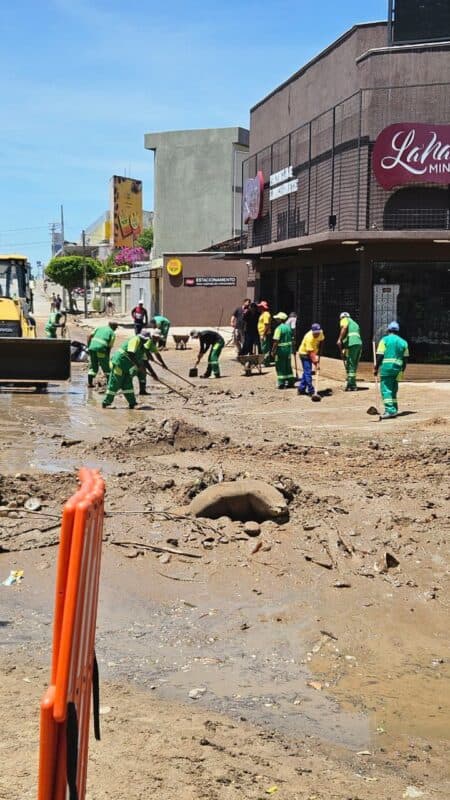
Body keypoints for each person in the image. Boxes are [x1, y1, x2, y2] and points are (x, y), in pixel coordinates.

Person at [102, 331, 167, 408]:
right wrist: (139, 366)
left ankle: (132, 403)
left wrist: (153, 374)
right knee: (115, 383)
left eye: (146, 340)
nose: (145, 341)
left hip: (127, 367)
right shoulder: (135, 340)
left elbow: (145, 363)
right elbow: (131, 353)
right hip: (119, 364)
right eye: (144, 339)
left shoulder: (142, 348)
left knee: (128, 384)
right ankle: (106, 403)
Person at [374, 321, 409, 420]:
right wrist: (402, 370)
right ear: (397, 331)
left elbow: (380, 355)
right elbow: (405, 358)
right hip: (398, 368)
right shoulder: (403, 342)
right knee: (393, 390)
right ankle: (394, 409)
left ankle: (389, 410)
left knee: (386, 390)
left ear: (388, 330)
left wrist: (376, 367)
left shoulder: (384, 340)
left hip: (387, 368)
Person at [86, 322, 118, 387]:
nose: (116, 329)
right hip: (101, 350)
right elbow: (109, 348)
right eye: (116, 328)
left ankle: (90, 383)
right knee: (106, 368)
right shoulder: (112, 333)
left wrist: (89, 346)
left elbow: (89, 336)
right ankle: (109, 385)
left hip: (92, 348)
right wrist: (107, 358)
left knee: (93, 366)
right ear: (113, 327)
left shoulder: (99, 328)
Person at [337, 311, 363, 391]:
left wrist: (339, 339)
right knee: (353, 364)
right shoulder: (355, 324)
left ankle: (350, 385)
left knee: (350, 364)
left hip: (352, 344)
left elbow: (344, 327)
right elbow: (352, 335)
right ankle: (353, 384)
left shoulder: (345, 319)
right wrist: (344, 347)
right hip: (358, 344)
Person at [297, 323, 325, 396]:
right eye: (315, 333)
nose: (317, 334)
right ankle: (311, 391)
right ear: (312, 331)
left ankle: (301, 389)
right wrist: (316, 364)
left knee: (306, 372)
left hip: (313, 353)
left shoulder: (320, 333)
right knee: (308, 372)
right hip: (304, 354)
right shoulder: (308, 337)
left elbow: (322, 341)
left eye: (318, 332)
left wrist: (319, 353)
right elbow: (311, 353)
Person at [271, 312, 296, 389]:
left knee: (280, 365)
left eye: (277, 318)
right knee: (287, 365)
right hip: (288, 349)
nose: (276, 319)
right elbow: (292, 338)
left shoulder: (279, 328)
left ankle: (281, 383)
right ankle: (290, 381)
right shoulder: (288, 328)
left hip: (280, 350)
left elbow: (276, 341)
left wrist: (273, 351)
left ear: (280, 319)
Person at [257, 300, 272, 366]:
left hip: (265, 334)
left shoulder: (266, 314)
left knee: (265, 348)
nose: (259, 308)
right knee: (263, 348)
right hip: (262, 333)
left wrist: (263, 334)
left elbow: (266, 325)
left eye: (260, 307)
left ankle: (266, 362)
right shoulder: (263, 314)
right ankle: (265, 361)